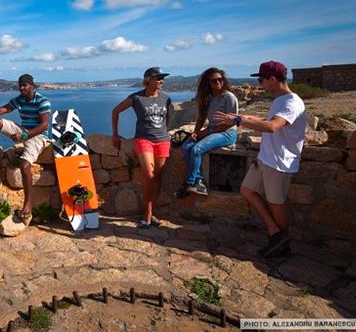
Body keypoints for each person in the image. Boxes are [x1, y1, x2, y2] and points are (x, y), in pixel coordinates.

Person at [214, 61, 307, 258]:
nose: (260, 84)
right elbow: (270, 121)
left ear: (272, 79)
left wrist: (241, 121)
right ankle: (275, 233)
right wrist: (245, 117)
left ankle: (282, 245)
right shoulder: (278, 100)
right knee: (247, 190)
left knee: (276, 203)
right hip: (266, 158)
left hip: (280, 161)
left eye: (261, 79)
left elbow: (274, 127)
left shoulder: (292, 102)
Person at [0, 74, 51, 225]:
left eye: (25, 85)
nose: (22, 88)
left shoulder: (42, 101)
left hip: (37, 136)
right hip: (23, 130)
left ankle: (28, 203)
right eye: (20, 85)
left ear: (32, 85)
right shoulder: (19, 99)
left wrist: (24, 135)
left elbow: (44, 125)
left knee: (24, 165)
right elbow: (1, 110)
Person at [112, 67, 172, 229]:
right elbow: (115, 111)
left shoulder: (166, 98)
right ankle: (147, 212)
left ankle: (151, 212)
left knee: (157, 177)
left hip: (163, 140)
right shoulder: (136, 97)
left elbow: (167, 118)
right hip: (144, 139)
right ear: (148, 80)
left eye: (162, 78)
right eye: (158, 78)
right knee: (149, 173)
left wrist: (168, 133)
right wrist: (115, 135)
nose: (161, 81)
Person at [175, 68, 239, 198]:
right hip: (211, 131)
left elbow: (232, 122)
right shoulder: (208, 98)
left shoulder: (228, 97)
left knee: (197, 149)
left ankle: (189, 182)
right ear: (207, 83)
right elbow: (201, 118)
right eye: (214, 80)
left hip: (227, 133)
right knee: (186, 147)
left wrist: (207, 131)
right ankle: (198, 181)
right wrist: (196, 132)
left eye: (220, 79)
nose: (218, 83)